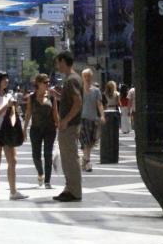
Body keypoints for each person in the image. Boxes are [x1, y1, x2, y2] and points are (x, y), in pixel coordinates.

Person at [0, 71, 28, 201]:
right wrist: (6, 105)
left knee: (13, 161)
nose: (7, 81)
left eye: (7, 79)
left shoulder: (9, 95)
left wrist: (13, 110)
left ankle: (13, 191)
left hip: (8, 131)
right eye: (4, 79)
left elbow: (12, 113)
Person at [54, 51, 84, 203]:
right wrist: (59, 97)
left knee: (70, 158)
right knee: (67, 158)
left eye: (58, 62)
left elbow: (78, 102)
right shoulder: (73, 79)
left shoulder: (71, 80)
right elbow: (72, 101)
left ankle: (74, 191)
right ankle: (69, 188)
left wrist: (65, 120)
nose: (57, 66)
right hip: (70, 124)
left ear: (64, 62)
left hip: (70, 125)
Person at [24, 73, 59, 189]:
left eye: (48, 82)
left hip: (50, 129)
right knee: (36, 155)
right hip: (36, 129)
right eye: (45, 82)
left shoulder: (52, 97)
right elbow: (28, 113)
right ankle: (40, 173)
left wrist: (59, 126)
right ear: (38, 84)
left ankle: (47, 181)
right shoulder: (31, 97)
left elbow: (55, 113)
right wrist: (24, 129)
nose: (48, 84)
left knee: (48, 154)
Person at [79, 68, 105, 173]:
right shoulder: (79, 90)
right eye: (85, 76)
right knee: (85, 142)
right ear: (82, 77)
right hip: (82, 119)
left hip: (93, 119)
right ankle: (88, 162)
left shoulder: (96, 90)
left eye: (89, 76)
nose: (87, 78)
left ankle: (85, 160)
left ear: (92, 77)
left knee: (90, 142)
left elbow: (99, 104)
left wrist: (102, 115)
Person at [100, 80, 121, 164]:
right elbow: (118, 104)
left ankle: (106, 154)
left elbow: (103, 104)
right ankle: (114, 156)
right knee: (114, 135)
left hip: (106, 111)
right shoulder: (117, 94)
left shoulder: (104, 94)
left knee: (106, 133)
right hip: (114, 112)